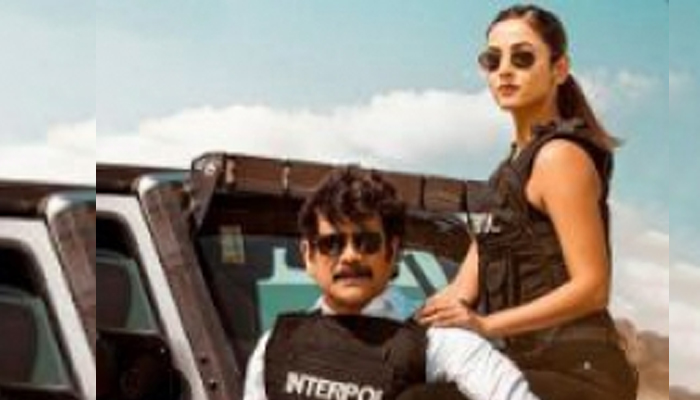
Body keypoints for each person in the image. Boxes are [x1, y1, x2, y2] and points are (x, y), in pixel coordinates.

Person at [417, 4, 637, 400]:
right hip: (525, 370)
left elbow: (592, 287)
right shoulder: (504, 179)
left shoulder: (559, 157)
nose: (504, 70)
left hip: (581, 373)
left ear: (559, 68)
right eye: (493, 59)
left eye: (522, 57)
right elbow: (459, 293)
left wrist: (486, 326)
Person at [243, 167, 540, 400]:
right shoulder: (275, 347)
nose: (350, 256)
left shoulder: (437, 343)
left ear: (393, 251)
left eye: (367, 242)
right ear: (308, 256)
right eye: (332, 244)